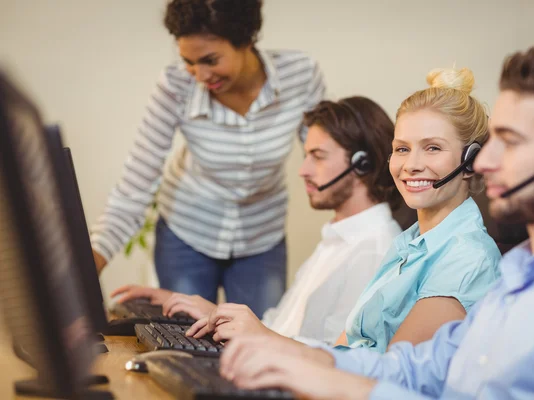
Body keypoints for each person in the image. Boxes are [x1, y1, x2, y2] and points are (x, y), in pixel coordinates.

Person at [218, 45, 534, 400]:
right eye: (402, 149)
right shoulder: (518, 272)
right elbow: (417, 368)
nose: (482, 163)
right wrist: (299, 359)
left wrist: (317, 373)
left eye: (511, 142)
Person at [185, 67, 501, 352]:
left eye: (432, 148)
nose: (411, 165)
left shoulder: (466, 258)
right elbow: (344, 350)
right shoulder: (408, 246)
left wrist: (264, 339)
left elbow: (392, 373)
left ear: (472, 161)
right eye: (402, 149)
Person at [90, 0, 326, 318]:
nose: (200, 74)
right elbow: (137, 183)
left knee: (261, 339)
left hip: (262, 236)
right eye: (189, 61)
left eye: (210, 60)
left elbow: (326, 156)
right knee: (184, 342)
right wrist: (86, 268)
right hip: (187, 233)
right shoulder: (176, 84)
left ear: (245, 40)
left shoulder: (300, 74)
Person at [112, 96, 403, 344]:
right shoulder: (337, 241)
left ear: (362, 164)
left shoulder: (373, 251)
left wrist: (249, 332)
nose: (303, 170)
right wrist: (210, 310)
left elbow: (338, 359)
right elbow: (278, 326)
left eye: (318, 156)